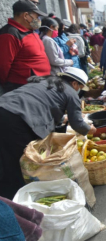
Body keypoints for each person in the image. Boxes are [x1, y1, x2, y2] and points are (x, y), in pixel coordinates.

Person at [0, 67, 97, 199]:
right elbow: (78, 124)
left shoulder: (45, 82)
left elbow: (41, 102)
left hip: (4, 107)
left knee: (4, 157)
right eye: (80, 86)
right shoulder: (70, 92)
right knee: (18, 161)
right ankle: (14, 200)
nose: (79, 90)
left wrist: (62, 118)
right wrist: (90, 129)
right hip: (16, 120)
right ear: (74, 83)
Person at [0, 0, 50, 94]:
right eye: (37, 16)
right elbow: (3, 65)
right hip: (24, 88)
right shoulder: (9, 34)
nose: (39, 20)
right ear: (26, 16)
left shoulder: (31, 31)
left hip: (40, 84)